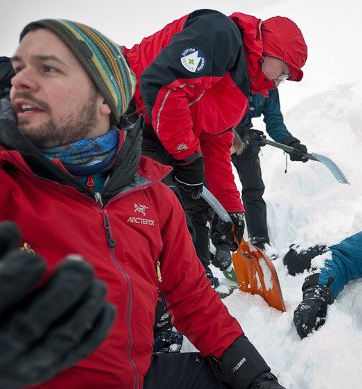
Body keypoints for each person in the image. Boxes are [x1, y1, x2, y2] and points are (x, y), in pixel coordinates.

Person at [0, 19, 300, 389]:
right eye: (24, 74)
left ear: (106, 99)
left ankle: (160, 330)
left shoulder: (150, 197)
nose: (25, 85)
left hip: (128, 376)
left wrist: (255, 374)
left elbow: (191, 297)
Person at [122, 9, 308, 276]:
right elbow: (163, 85)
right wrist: (187, 157)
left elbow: (216, 145)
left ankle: (196, 282)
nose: (281, 82)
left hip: (161, 129)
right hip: (129, 103)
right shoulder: (221, 34)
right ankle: (160, 293)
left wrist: (231, 209)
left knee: (197, 209)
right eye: (285, 71)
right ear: (271, 51)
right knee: (168, 209)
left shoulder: (240, 94)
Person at [232, 88, 309, 251]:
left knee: (254, 188)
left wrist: (290, 143)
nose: (280, 81)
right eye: (282, 74)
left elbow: (274, 120)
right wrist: (241, 133)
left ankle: (259, 242)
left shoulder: (270, 87)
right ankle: (215, 244)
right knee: (214, 190)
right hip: (216, 134)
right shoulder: (238, 74)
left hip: (246, 138)